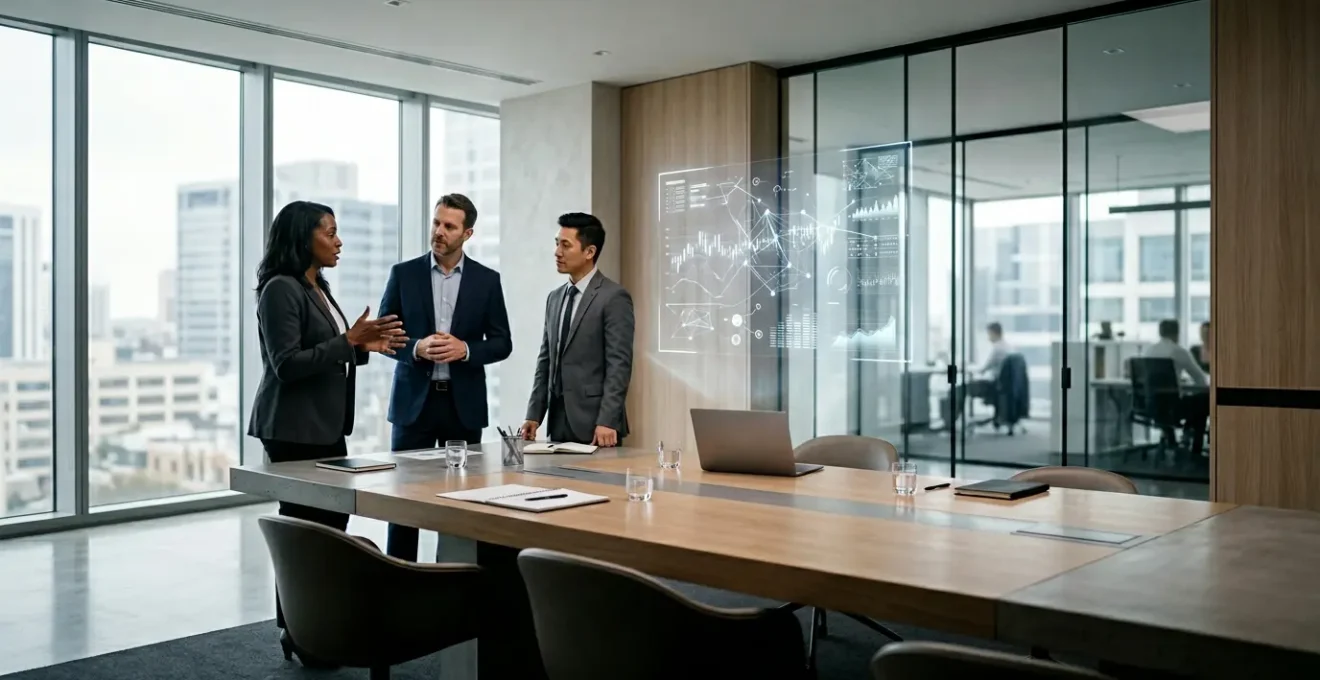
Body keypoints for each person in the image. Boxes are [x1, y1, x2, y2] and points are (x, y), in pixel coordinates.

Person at [247, 200, 406, 667]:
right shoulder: (280, 289)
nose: (339, 242)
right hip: (293, 429)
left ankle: (314, 624)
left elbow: (329, 349)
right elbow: (287, 364)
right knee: (305, 532)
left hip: (323, 427)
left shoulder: (318, 286)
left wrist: (362, 348)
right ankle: (297, 630)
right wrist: (348, 342)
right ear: (303, 238)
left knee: (329, 528)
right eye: (330, 233)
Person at [378, 193, 511, 561]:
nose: (439, 231)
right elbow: (384, 338)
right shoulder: (403, 274)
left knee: (461, 502)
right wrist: (417, 348)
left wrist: (465, 350)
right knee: (402, 503)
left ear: (467, 233)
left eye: (449, 226)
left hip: (462, 406)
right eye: (436, 222)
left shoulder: (487, 281)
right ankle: (399, 579)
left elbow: (502, 343)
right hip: (412, 406)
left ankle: (455, 580)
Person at [522, 213, 635, 446]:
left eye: (565, 245)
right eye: (556, 244)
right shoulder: (554, 298)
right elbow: (545, 360)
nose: (557, 252)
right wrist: (533, 414)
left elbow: (619, 366)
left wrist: (608, 420)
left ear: (589, 252)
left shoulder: (613, 297)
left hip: (597, 425)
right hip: (558, 421)